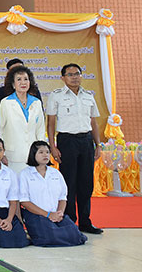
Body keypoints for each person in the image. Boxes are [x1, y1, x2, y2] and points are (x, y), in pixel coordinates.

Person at [46, 63, 102, 234]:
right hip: (67, 141)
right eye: (70, 74)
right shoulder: (56, 96)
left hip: (86, 141)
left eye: (77, 74)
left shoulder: (88, 95)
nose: (74, 77)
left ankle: (85, 222)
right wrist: (52, 146)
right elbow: (51, 123)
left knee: (86, 183)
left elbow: (93, 122)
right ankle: (69, 221)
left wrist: (97, 144)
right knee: (69, 183)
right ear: (63, 78)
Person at [19, 141, 88, 247]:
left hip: (56, 215)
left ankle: (56, 234)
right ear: (33, 154)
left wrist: (59, 213)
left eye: (47, 152)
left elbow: (62, 197)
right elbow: (24, 201)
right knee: (49, 236)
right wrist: (47, 214)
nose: (45, 155)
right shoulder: (25, 174)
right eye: (41, 152)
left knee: (76, 236)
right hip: (37, 215)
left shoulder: (55, 173)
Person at [0, 65, 45, 173]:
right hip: (13, 157)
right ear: (13, 84)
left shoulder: (36, 103)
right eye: (19, 79)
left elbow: (40, 129)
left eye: (26, 79)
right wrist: (2, 154)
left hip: (33, 156)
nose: (23, 83)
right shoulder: (6, 103)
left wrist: (42, 152)